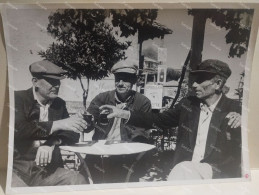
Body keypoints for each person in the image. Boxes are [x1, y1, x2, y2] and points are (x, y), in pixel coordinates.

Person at [100, 59, 242, 179]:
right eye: (194, 80)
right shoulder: (188, 105)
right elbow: (159, 119)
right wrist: (123, 113)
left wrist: (245, 122)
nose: (193, 85)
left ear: (218, 84)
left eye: (200, 81)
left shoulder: (236, 109)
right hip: (184, 173)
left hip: (216, 176)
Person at [12, 60, 88, 186]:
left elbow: (73, 135)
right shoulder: (17, 98)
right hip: (16, 168)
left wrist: (50, 143)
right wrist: (58, 124)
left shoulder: (59, 104)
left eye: (58, 81)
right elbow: (18, 129)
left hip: (48, 170)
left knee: (77, 180)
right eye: (51, 81)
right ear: (35, 82)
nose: (57, 85)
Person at [83, 61, 153, 183]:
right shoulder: (102, 98)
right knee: (86, 180)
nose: (120, 83)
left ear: (133, 81)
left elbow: (142, 134)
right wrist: (86, 120)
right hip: (99, 154)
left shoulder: (143, 102)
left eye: (125, 80)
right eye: (117, 79)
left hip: (127, 157)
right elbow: (87, 126)